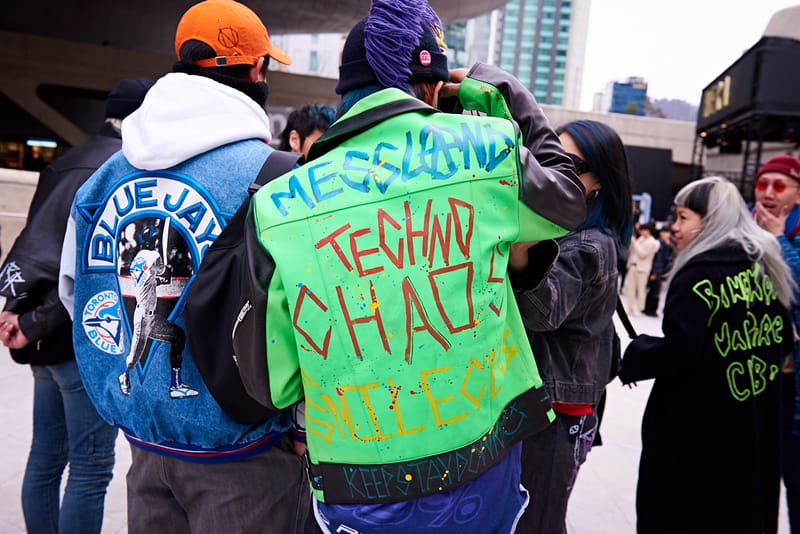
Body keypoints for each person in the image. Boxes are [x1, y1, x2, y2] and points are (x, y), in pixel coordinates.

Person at [246, 0, 587, 531]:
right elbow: (567, 200)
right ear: (431, 85)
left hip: (359, 482)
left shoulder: (278, 203)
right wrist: (508, 98)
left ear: (346, 89)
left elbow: (275, 380)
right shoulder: (487, 151)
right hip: (482, 463)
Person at [57, 1, 315, 532]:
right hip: (245, 452)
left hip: (145, 443)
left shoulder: (106, 175)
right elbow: (305, 316)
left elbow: (74, 291)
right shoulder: (277, 177)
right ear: (255, 70)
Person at [0, 78, 152, 534]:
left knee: (45, 458)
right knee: (90, 469)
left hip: (40, 336)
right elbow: (87, 272)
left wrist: (23, 319)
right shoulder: (120, 169)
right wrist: (37, 322)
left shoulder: (64, 160)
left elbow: (36, 248)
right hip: (81, 335)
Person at [619, 176, 796, 534]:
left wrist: (636, 356)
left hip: (698, 439)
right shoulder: (766, 268)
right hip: (752, 429)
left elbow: (681, 348)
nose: (675, 227)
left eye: (683, 217)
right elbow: (784, 343)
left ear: (711, 219)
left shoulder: (700, 275)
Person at [510, 119, 634, 534]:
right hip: (545, 409)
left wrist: (520, 249)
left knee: (537, 521)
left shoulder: (589, 245)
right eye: (549, 162)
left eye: (571, 165)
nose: (555, 175)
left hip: (555, 414)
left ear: (599, 180)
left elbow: (544, 312)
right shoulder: (565, 233)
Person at [752, 154, 800, 532]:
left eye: (779, 185)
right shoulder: (744, 229)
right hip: (758, 374)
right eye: (762, 184)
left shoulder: (791, 232)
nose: (768, 193)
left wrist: (780, 240)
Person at [624, 221, 660, 316]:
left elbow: (642, 254)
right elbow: (632, 251)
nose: (641, 232)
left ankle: (639, 308)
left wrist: (635, 243)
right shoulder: (640, 239)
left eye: (643, 230)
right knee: (630, 288)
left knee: (641, 290)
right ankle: (629, 307)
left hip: (643, 269)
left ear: (648, 231)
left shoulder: (652, 242)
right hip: (633, 266)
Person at [642, 225, 673, 317]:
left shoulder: (668, 244)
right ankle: (649, 309)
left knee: (656, 291)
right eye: (666, 232)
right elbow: (656, 259)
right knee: (653, 291)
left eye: (668, 233)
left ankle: (651, 309)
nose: (667, 235)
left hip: (662, 271)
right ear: (661, 233)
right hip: (656, 271)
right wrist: (654, 272)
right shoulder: (658, 244)